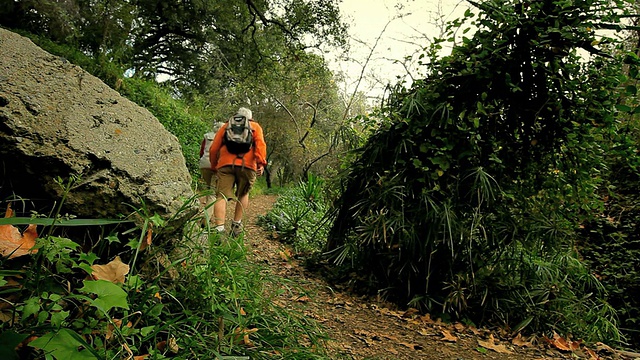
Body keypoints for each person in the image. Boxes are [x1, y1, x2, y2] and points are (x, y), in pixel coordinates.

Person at [209, 107, 267, 237]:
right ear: (250, 117)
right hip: (247, 165)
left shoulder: (226, 126)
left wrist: (214, 165)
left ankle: (219, 229)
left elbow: (213, 149)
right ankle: (236, 225)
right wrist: (261, 163)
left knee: (221, 196)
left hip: (225, 164)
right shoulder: (255, 127)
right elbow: (260, 146)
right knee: (243, 193)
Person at [198, 121, 225, 226]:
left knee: (209, 190)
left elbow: (201, 152)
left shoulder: (207, 136)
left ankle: (207, 215)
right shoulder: (223, 139)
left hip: (204, 165)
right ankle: (205, 220)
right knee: (213, 194)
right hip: (215, 167)